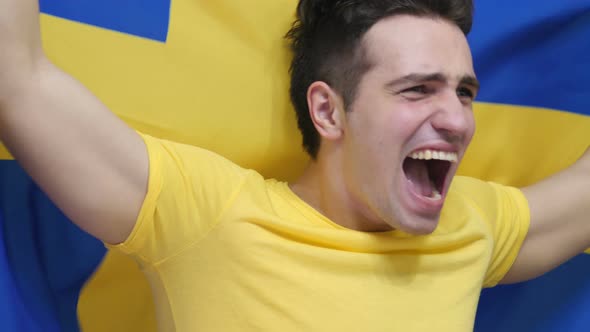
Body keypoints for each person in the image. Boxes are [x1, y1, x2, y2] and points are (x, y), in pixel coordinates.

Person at [0, 0, 588, 331]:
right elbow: (18, 82)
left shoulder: (472, 227)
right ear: (328, 111)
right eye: (417, 90)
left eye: (464, 91)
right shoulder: (211, 216)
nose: (459, 121)